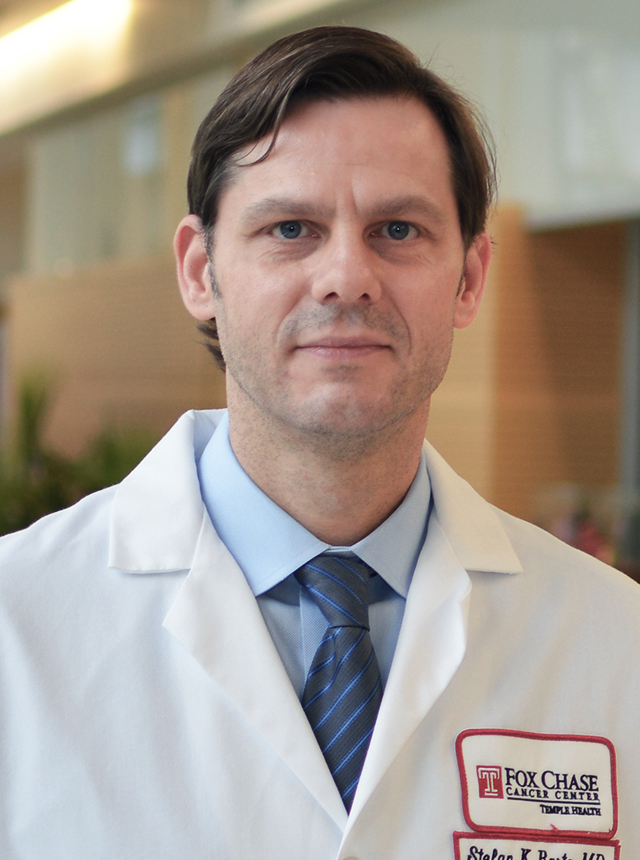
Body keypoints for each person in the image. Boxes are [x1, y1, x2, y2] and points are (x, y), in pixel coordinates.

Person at [0, 25, 639, 860]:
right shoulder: (19, 625)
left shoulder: (614, 641)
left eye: (399, 230)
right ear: (201, 272)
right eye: (291, 228)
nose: (347, 276)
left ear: (470, 278)